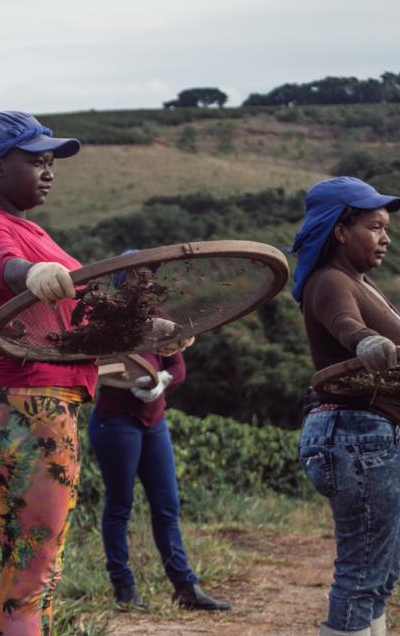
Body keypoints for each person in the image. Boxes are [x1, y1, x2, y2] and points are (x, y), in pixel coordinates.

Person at [0, 110, 98, 635]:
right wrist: (31, 273)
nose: (49, 170)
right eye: (36, 160)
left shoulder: (32, 228)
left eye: (50, 162)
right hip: (28, 402)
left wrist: (151, 328)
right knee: (34, 559)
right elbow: (4, 266)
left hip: (45, 400)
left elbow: (81, 307)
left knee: (39, 557)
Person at [291, 177, 400, 636]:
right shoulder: (329, 280)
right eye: (374, 226)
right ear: (341, 231)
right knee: (362, 574)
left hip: (370, 435)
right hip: (355, 433)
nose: (386, 237)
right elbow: (345, 323)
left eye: (386, 228)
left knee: (380, 574)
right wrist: (366, 341)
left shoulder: (360, 281)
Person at [88, 253, 231, 613]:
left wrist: (161, 382)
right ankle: (124, 589)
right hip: (116, 419)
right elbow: (96, 367)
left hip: (154, 421)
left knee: (167, 506)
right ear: (120, 279)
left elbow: (177, 366)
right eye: (135, 275)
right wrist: (132, 383)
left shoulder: (160, 319)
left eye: (148, 274)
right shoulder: (104, 318)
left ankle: (186, 587)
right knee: (119, 505)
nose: (144, 281)